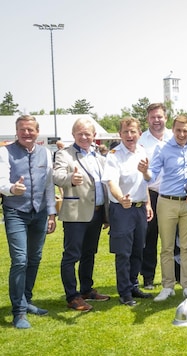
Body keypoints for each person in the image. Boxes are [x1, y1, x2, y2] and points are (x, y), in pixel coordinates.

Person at [141, 114, 187, 302]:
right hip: (167, 202)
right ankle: (168, 286)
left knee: (186, 247)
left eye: (185, 131)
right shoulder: (162, 148)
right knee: (167, 247)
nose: (181, 134)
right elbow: (152, 175)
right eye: (178, 130)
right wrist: (144, 172)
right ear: (173, 129)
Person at [0, 115, 57, 329]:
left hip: (40, 213)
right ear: (16, 131)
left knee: (35, 258)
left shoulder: (46, 153)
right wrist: (12, 189)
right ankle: (19, 311)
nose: (26, 133)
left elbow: (49, 186)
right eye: (22, 129)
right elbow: (2, 181)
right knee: (20, 260)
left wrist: (52, 214)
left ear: (37, 131)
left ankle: (27, 299)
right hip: (16, 211)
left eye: (30, 129)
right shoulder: (5, 152)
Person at [54, 118, 111, 312]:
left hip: (96, 213)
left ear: (94, 136)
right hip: (75, 214)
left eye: (88, 133)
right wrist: (71, 178)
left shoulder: (99, 156)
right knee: (71, 256)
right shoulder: (64, 154)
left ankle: (87, 290)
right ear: (73, 135)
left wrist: (106, 214)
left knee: (89, 254)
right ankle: (72, 296)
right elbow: (56, 176)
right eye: (80, 133)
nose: (84, 137)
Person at [102, 117, 154, 306]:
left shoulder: (142, 151)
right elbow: (111, 182)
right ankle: (124, 292)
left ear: (139, 133)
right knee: (123, 253)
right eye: (126, 132)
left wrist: (148, 203)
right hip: (122, 209)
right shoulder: (114, 155)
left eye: (133, 132)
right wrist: (121, 198)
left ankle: (133, 285)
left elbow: (145, 180)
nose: (130, 135)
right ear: (120, 134)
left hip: (139, 209)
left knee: (138, 250)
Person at [138, 103, 173, 290]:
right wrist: (146, 201)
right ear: (147, 119)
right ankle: (148, 277)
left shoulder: (175, 137)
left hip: (172, 192)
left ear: (165, 117)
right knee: (149, 238)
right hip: (150, 193)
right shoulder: (141, 140)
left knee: (172, 238)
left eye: (159, 116)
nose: (156, 120)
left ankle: (174, 276)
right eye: (153, 117)